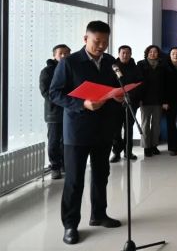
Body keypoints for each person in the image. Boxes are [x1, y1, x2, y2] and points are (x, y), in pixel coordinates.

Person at [49, 21, 122, 245]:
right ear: (85, 39)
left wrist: (119, 95)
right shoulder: (70, 62)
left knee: (101, 175)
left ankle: (98, 214)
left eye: (105, 42)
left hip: (103, 129)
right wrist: (83, 104)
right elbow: (55, 93)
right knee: (74, 180)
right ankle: (70, 225)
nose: (101, 46)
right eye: (97, 41)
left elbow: (114, 88)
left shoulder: (110, 62)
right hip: (77, 131)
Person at [39, 44, 71, 179]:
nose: (63, 55)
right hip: (54, 112)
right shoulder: (47, 71)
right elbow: (45, 92)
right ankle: (55, 167)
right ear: (54, 55)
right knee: (54, 141)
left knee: (67, 140)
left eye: (66, 53)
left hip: (70, 110)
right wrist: (63, 100)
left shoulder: (71, 69)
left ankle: (65, 165)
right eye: (60, 53)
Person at [110, 45, 142, 163]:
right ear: (119, 54)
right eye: (123, 53)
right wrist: (117, 96)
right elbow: (109, 84)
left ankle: (128, 152)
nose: (125, 55)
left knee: (129, 128)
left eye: (128, 53)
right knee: (116, 129)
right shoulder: (113, 67)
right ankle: (116, 153)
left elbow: (139, 84)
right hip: (116, 103)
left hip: (131, 102)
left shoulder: (135, 68)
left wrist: (130, 96)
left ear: (131, 54)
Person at [137, 45, 168, 158]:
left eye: (155, 52)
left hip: (158, 100)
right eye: (150, 52)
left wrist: (165, 101)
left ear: (158, 54)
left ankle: (154, 145)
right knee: (145, 124)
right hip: (144, 99)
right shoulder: (141, 64)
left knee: (156, 125)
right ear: (147, 53)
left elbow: (165, 84)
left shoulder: (162, 65)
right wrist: (139, 98)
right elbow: (138, 83)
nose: (153, 53)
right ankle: (146, 147)